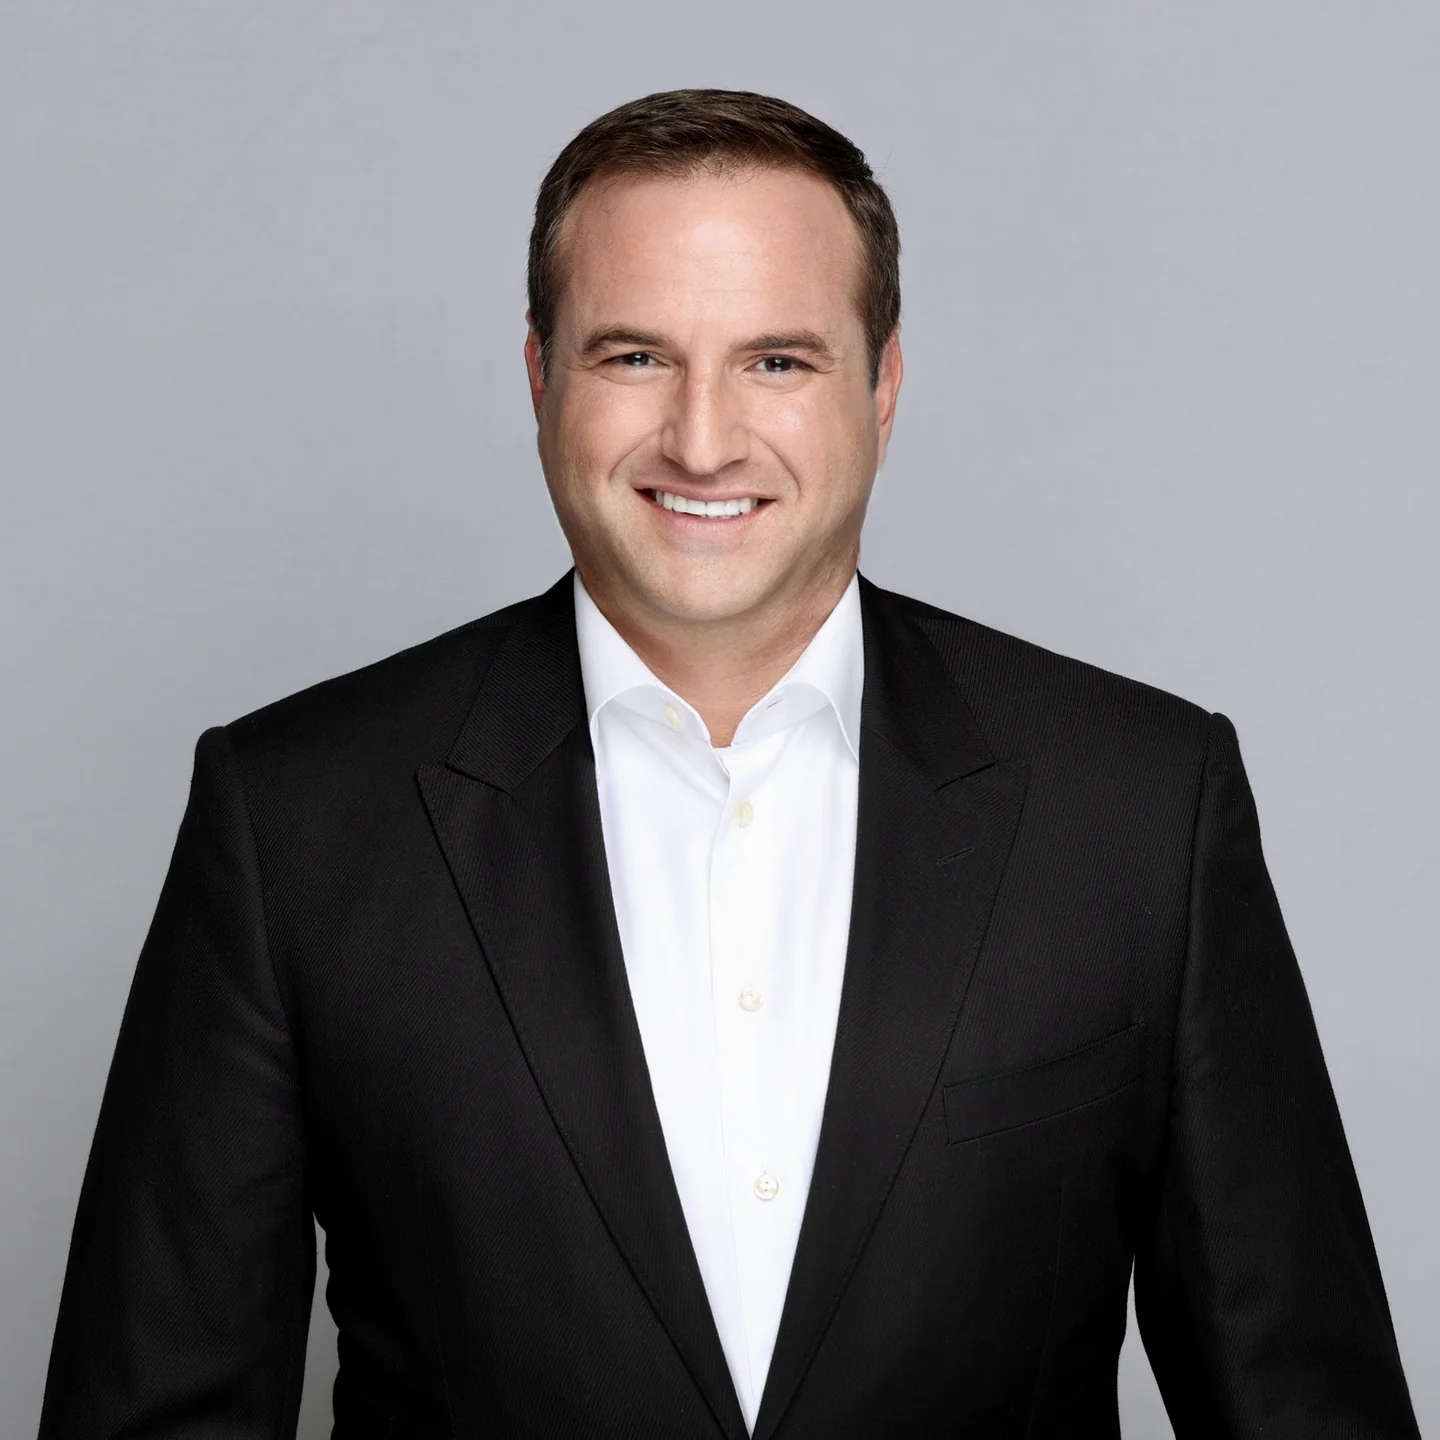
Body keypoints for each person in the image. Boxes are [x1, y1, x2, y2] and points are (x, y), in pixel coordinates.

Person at [39, 88, 1419, 1439]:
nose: (702, 439)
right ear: (539, 378)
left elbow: (1302, 1405)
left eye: (777, 360)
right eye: (634, 356)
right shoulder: (292, 820)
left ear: (882, 386)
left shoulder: (1138, 808)